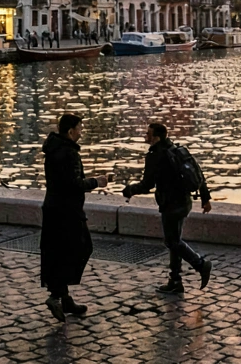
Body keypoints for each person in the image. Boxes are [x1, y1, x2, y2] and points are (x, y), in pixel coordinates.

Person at [122, 122, 213, 295]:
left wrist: (130, 190)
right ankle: (175, 281)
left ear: (156, 138)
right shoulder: (178, 150)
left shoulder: (156, 155)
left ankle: (201, 264)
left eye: (148, 134)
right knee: (175, 241)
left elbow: (147, 185)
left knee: (172, 241)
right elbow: (198, 173)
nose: (145, 136)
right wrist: (205, 198)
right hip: (185, 202)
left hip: (170, 204)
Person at [40, 113, 111, 322]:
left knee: (58, 252)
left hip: (53, 207)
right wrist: (97, 182)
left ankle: (64, 298)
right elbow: (74, 184)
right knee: (82, 247)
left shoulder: (53, 148)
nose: (81, 133)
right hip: (68, 211)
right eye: (79, 129)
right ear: (70, 131)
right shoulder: (69, 153)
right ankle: (56, 296)